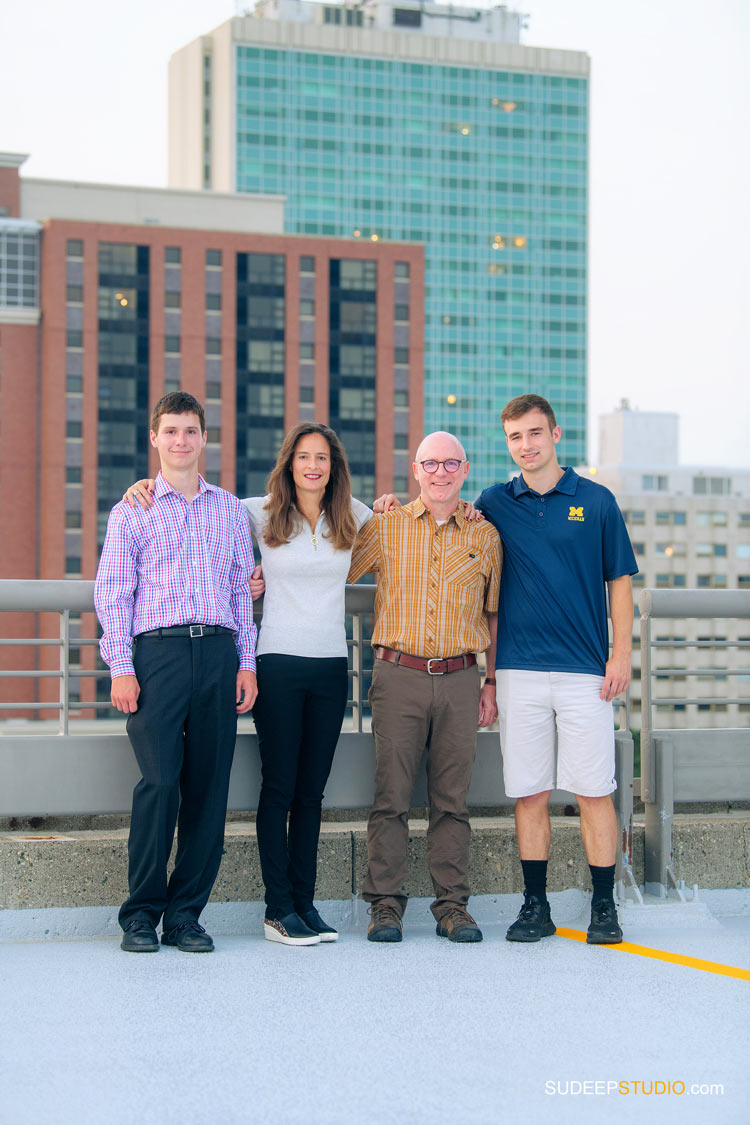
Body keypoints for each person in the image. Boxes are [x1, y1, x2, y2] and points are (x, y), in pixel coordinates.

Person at [124, 422, 377, 948]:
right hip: (276, 663)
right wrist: (139, 487)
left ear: (335, 467)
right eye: (304, 457)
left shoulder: (354, 516)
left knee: (312, 793)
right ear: (289, 463)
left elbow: (399, 528)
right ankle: (277, 908)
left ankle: (304, 905)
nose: (313, 466)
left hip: (331, 666)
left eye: (323, 458)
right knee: (279, 788)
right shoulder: (256, 511)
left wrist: (401, 500)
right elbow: (191, 497)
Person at [95, 391, 257, 954]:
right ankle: (140, 914)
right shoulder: (132, 509)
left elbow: (241, 593)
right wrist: (120, 666)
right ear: (155, 439)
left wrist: (246, 663)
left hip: (217, 653)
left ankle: (186, 915)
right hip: (156, 658)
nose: (181, 441)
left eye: (191, 431)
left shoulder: (230, 509)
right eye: (171, 431)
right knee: (159, 784)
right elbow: (114, 592)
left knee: (209, 792)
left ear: (204, 438)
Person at [475, 394, 637, 945]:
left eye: (535, 433)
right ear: (508, 443)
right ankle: (535, 907)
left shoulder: (595, 501)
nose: (526, 445)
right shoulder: (495, 501)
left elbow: (620, 582)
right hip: (518, 672)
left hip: (584, 672)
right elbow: (447, 526)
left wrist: (621, 655)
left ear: (556, 434)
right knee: (530, 793)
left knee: (594, 791)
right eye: (516, 437)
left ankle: (604, 907)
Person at [347, 431, 502, 943]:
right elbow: (333, 564)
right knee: (390, 797)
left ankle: (451, 906)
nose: (440, 472)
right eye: (430, 464)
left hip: (461, 678)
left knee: (452, 801)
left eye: (450, 463)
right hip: (398, 676)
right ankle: (385, 906)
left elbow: (493, 614)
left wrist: (491, 682)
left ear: (464, 469)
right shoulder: (387, 525)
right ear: (415, 470)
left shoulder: (485, 536)